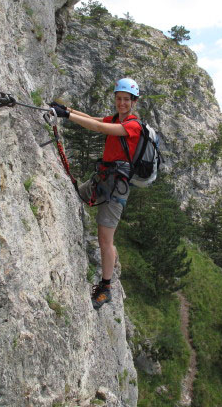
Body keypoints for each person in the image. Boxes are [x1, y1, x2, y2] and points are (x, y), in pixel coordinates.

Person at [51, 78, 142, 310]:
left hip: (116, 190)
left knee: (105, 240)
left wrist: (66, 117)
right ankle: (108, 273)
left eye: (126, 100)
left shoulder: (133, 126)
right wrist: (67, 110)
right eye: (118, 98)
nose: (121, 103)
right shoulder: (116, 119)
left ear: (133, 102)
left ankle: (106, 287)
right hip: (102, 179)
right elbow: (95, 119)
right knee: (72, 194)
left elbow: (100, 128)